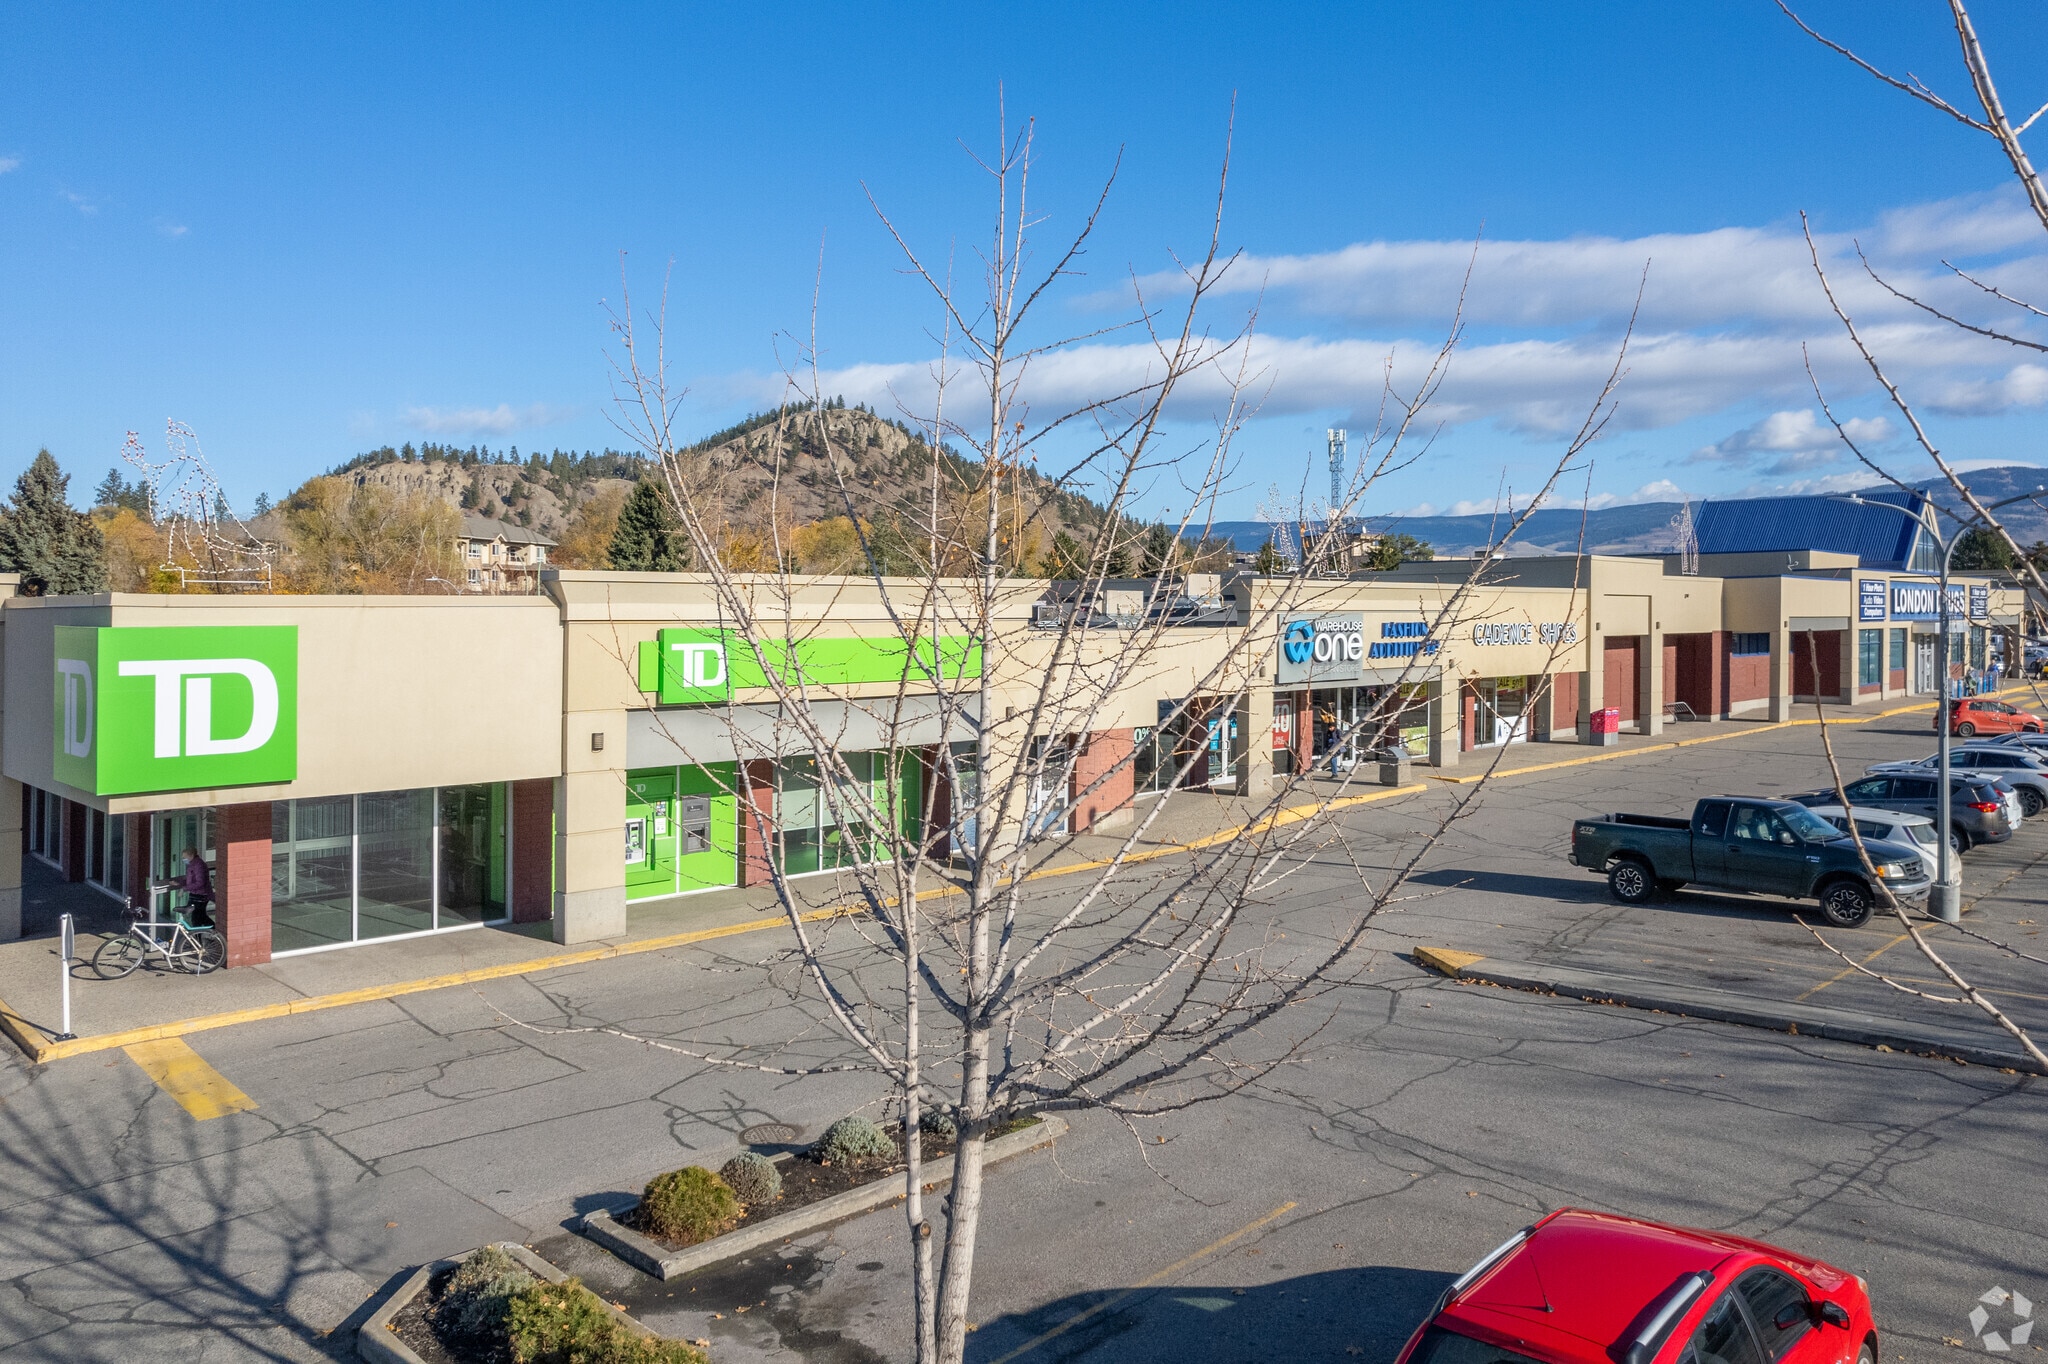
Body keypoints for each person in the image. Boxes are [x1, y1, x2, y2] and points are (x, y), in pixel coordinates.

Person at [181, 847, 215, 929]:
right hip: (195, 895)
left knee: (197, 919)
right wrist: (180, 883)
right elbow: (190, 880)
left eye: (185, 857)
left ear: (191, 855)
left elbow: (200, 882)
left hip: (200, 896)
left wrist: (184, 889)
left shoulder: (198, 865)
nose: (183, 859)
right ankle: (214, 932)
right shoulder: (192, 865)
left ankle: (200, 937)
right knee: (200, 917)